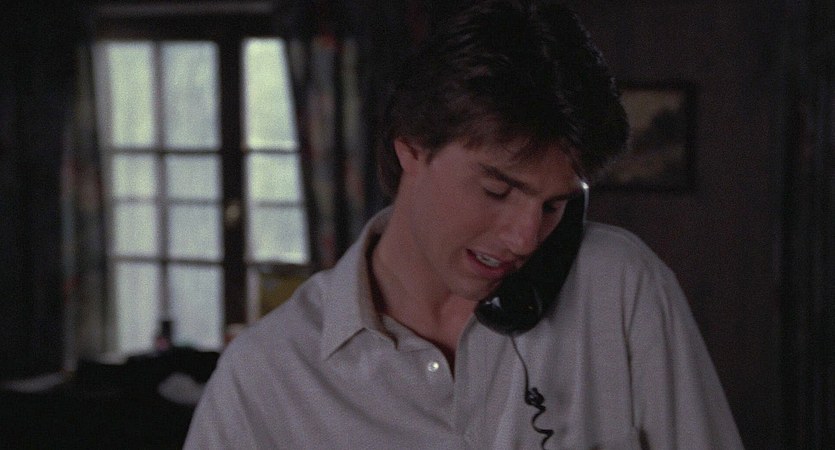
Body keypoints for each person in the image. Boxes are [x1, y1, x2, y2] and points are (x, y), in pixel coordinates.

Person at [185, 1, 744, 448]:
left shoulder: (622, 288)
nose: (525, 238)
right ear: (412, 147)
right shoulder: (262, 380)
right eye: (497, 191)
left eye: (554, 205)